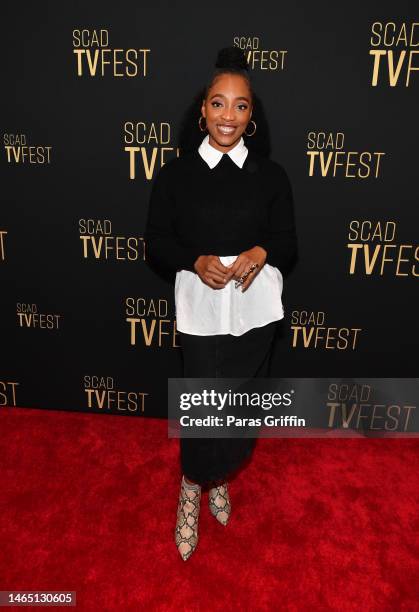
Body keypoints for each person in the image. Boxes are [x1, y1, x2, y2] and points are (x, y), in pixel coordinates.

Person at [144, 46, 298, 561]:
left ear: (252, 115)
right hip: (202, 312)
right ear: (202, 110)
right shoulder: (174, 176)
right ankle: (193, 486)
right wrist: (194, 260)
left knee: (239, 409)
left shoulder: (272, 176)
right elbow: (158, 243)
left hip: (255, 312)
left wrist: (260, 250)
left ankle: (220, 477)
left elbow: (288, 243)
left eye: (240, 106)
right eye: (218, 103)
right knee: (203, 407)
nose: (228, 115)